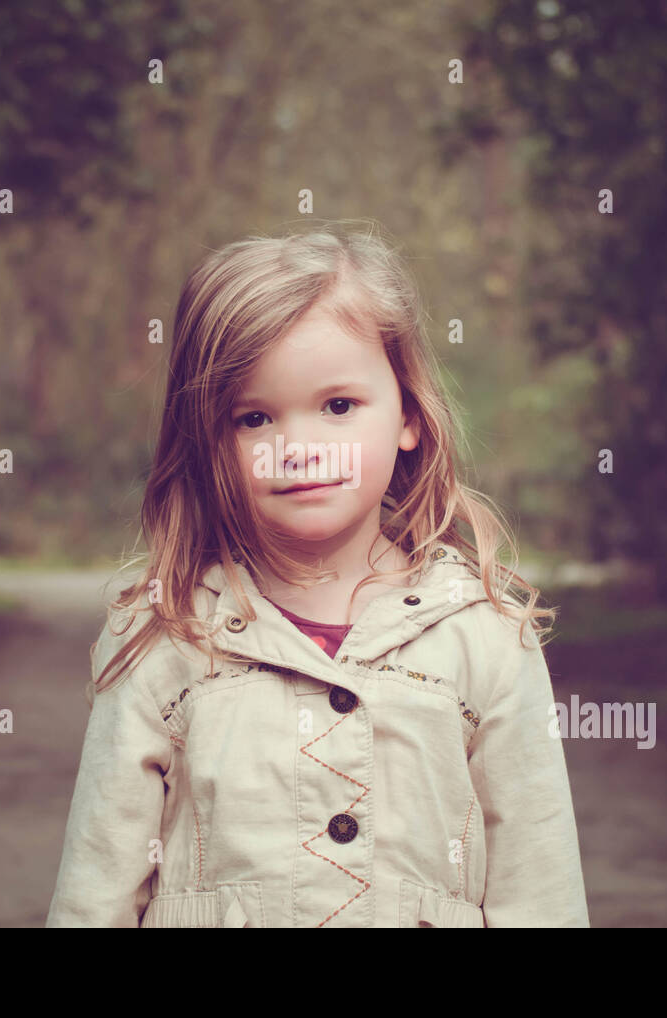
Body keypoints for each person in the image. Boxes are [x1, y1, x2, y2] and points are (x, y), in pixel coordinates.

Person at [45, 222, 590, 927]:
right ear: (205, 439)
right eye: (253, 418)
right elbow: (97, 888)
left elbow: (539, 888)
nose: (298, 448)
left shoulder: (484, 638)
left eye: (338, 406)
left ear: (409, 415)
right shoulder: (162, 638)